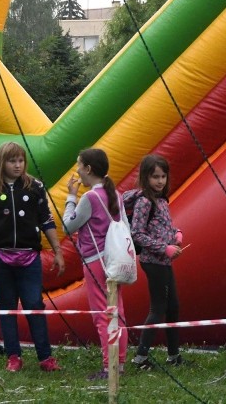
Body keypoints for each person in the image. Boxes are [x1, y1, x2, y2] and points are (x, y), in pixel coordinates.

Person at [0, 142, 65, 372]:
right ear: (2, 162)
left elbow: (46, 220)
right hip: (0, 257)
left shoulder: (35, 187)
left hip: (29, 257)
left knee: (33, 304)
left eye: (21, 161)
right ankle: (13, 356)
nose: (18, 165)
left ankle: (45, 357)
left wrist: (58, 251)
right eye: (12, 161)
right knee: (7, 307)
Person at [63, 148, 128, 380]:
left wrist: (71, 197)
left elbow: (68, 226)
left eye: (79, 165)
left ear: (88, 169)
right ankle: (118, 363)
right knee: (117, 312)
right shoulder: (115, 194)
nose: (78, 170)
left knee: (102, 314)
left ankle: (108, 366)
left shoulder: (90, 197)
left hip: (96, 261)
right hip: (115, 260)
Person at [130, 154, 184, 369]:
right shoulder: (144, 202)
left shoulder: (162, 200)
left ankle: (174, 355)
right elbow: (137, 233)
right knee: (159, 307)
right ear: (145, 177)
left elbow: (161, 227)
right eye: (155, 177)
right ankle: (140, 357)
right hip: (153, 261)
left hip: (164, 261)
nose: (160, 181)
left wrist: (176, 234)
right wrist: (165, 248)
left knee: (173, 307)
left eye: (163, 176)